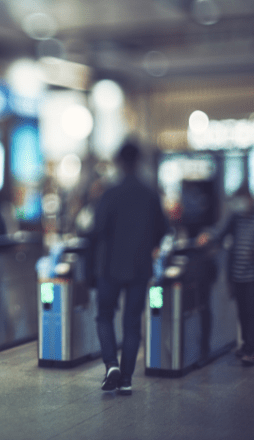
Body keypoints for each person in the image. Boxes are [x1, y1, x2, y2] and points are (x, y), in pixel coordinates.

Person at [91, 141, 169, 395]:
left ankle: (111, 364)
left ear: (118, 162)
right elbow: (162, 230)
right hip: (140, 267)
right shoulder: (150, 193)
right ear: (139, 161)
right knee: (132, 323)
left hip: (110, 266)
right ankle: (126, 378)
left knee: (104, 315)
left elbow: (98, 228)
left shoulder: (110, 193)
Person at [197, 186, 254, 366]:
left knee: (252, 311)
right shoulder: (235, 217)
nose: (239, 204)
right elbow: (219, 231)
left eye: (242, 200)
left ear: (250, 199)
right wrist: (208, 236)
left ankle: (251, 348)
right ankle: (245, 344)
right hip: (236, 272)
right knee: (242, 310)